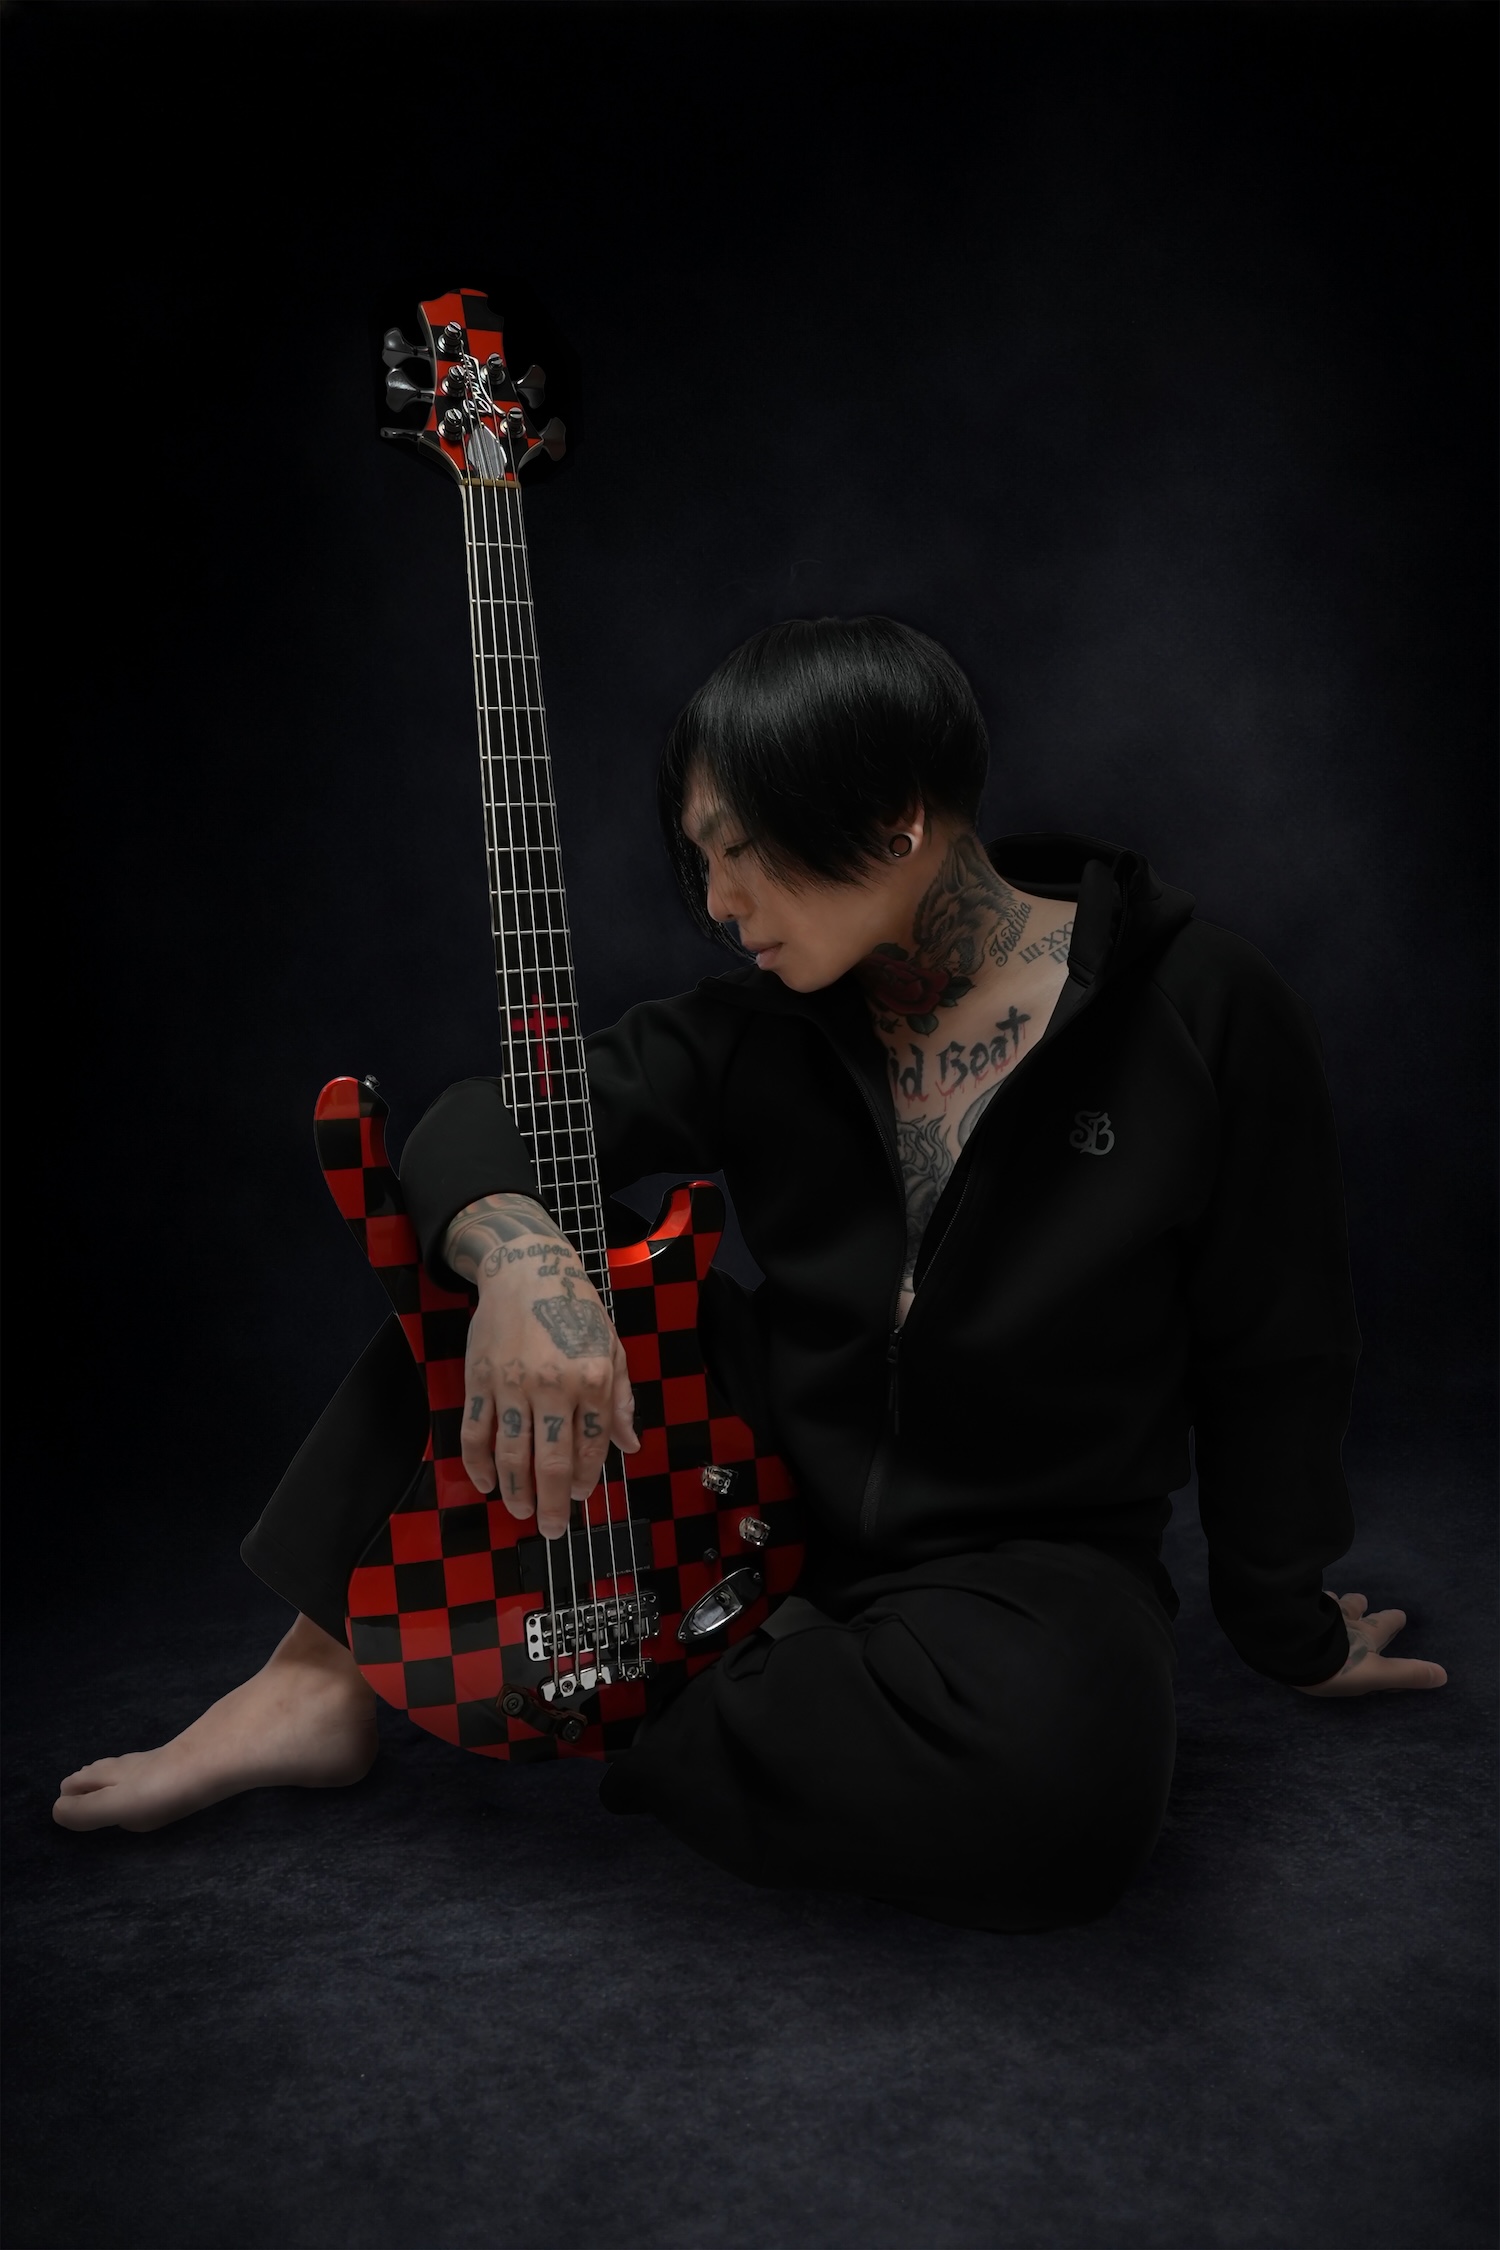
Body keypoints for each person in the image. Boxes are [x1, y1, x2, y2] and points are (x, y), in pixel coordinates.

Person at [53, 617, 1446, 1931]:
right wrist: (527, 1263)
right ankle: (318, 1676)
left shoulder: (1205, 1011)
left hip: (1028, 1554)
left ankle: (637, 1687)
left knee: (1071, 1805)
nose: (720, 905)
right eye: (701, 862)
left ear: (894, 818)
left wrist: (1288, 1624)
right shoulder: (760, 1027)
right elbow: (481, 1122)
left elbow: (1278, 1345)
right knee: (493, 1274)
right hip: (749, 1469)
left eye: (741, 853)